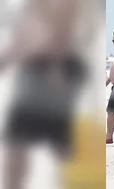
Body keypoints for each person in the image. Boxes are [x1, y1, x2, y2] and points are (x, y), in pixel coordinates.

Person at [2, 1, 86, 189]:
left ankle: (77, 180)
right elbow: (23, 36)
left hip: (53, 68)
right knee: (19, 142)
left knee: (54, 138)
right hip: (37, 69)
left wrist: (55, 68)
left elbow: (64, 29)